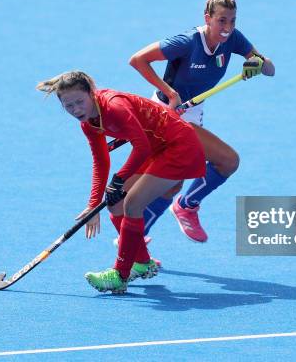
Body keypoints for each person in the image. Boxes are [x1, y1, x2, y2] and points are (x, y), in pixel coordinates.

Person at [128, 0, 275, 242]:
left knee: (172, 184)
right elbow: (138, 59)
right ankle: (186, 206)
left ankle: (134, 239)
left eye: (232, 20)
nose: (227, 27)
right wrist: (170, 93)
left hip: (193, 114)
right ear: (207, 18)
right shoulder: (186, 42)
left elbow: (271, 68)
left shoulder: (234, 39)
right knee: (228, 161)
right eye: (221, 21)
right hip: (167, 114)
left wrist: (258, 64)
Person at [36, 71, 205, 294]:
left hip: (179, 147)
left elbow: (141, 146)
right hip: (158, 149)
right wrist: (93, 204)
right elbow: (101, 160)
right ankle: (143, 262)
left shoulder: (114, 107)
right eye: (69, 106)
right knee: (115, 205)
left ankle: (120, 275)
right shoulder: (89, 124)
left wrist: (119, 179)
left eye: (79, 101)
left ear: (91, 93)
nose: (76, 109)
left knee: (132, 204)